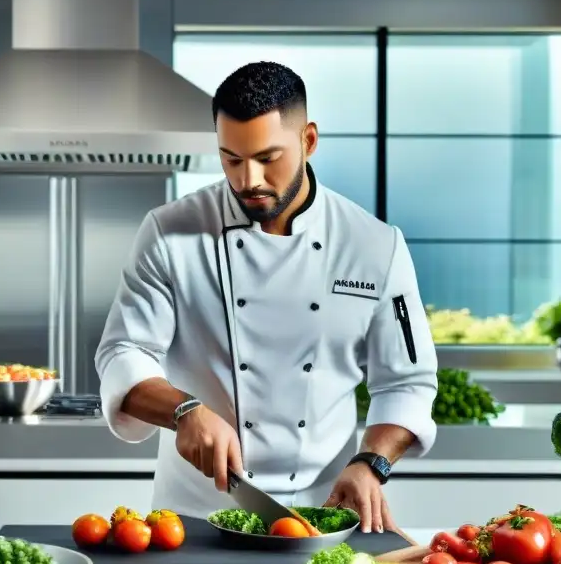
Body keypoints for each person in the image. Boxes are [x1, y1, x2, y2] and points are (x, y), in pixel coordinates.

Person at [94, 60, 438, 533]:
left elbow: (407, 383)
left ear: (308, 141)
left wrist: (371, 464)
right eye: (231, 159)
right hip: (195, 517)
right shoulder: (169, 233)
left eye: (267, 158)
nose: (248, 179)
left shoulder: (374, 246)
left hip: (322, 518)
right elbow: (123, 352)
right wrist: (183, 410)